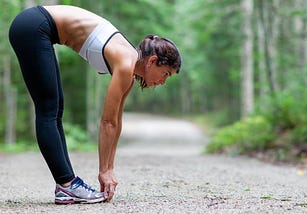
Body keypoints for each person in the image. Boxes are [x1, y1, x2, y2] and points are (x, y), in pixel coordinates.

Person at [8, 5, 181, 204]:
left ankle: (67, 185)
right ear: (152, 61)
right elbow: (107, 122)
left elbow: (116, 121)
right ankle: (66, 185)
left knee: (54, 110)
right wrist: (103, 171)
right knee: (48, 110)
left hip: (37, 28)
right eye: (166, 74)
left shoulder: (129, 71)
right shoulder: (126, 63)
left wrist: (109, 169)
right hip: (33, 26)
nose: (163, 81)